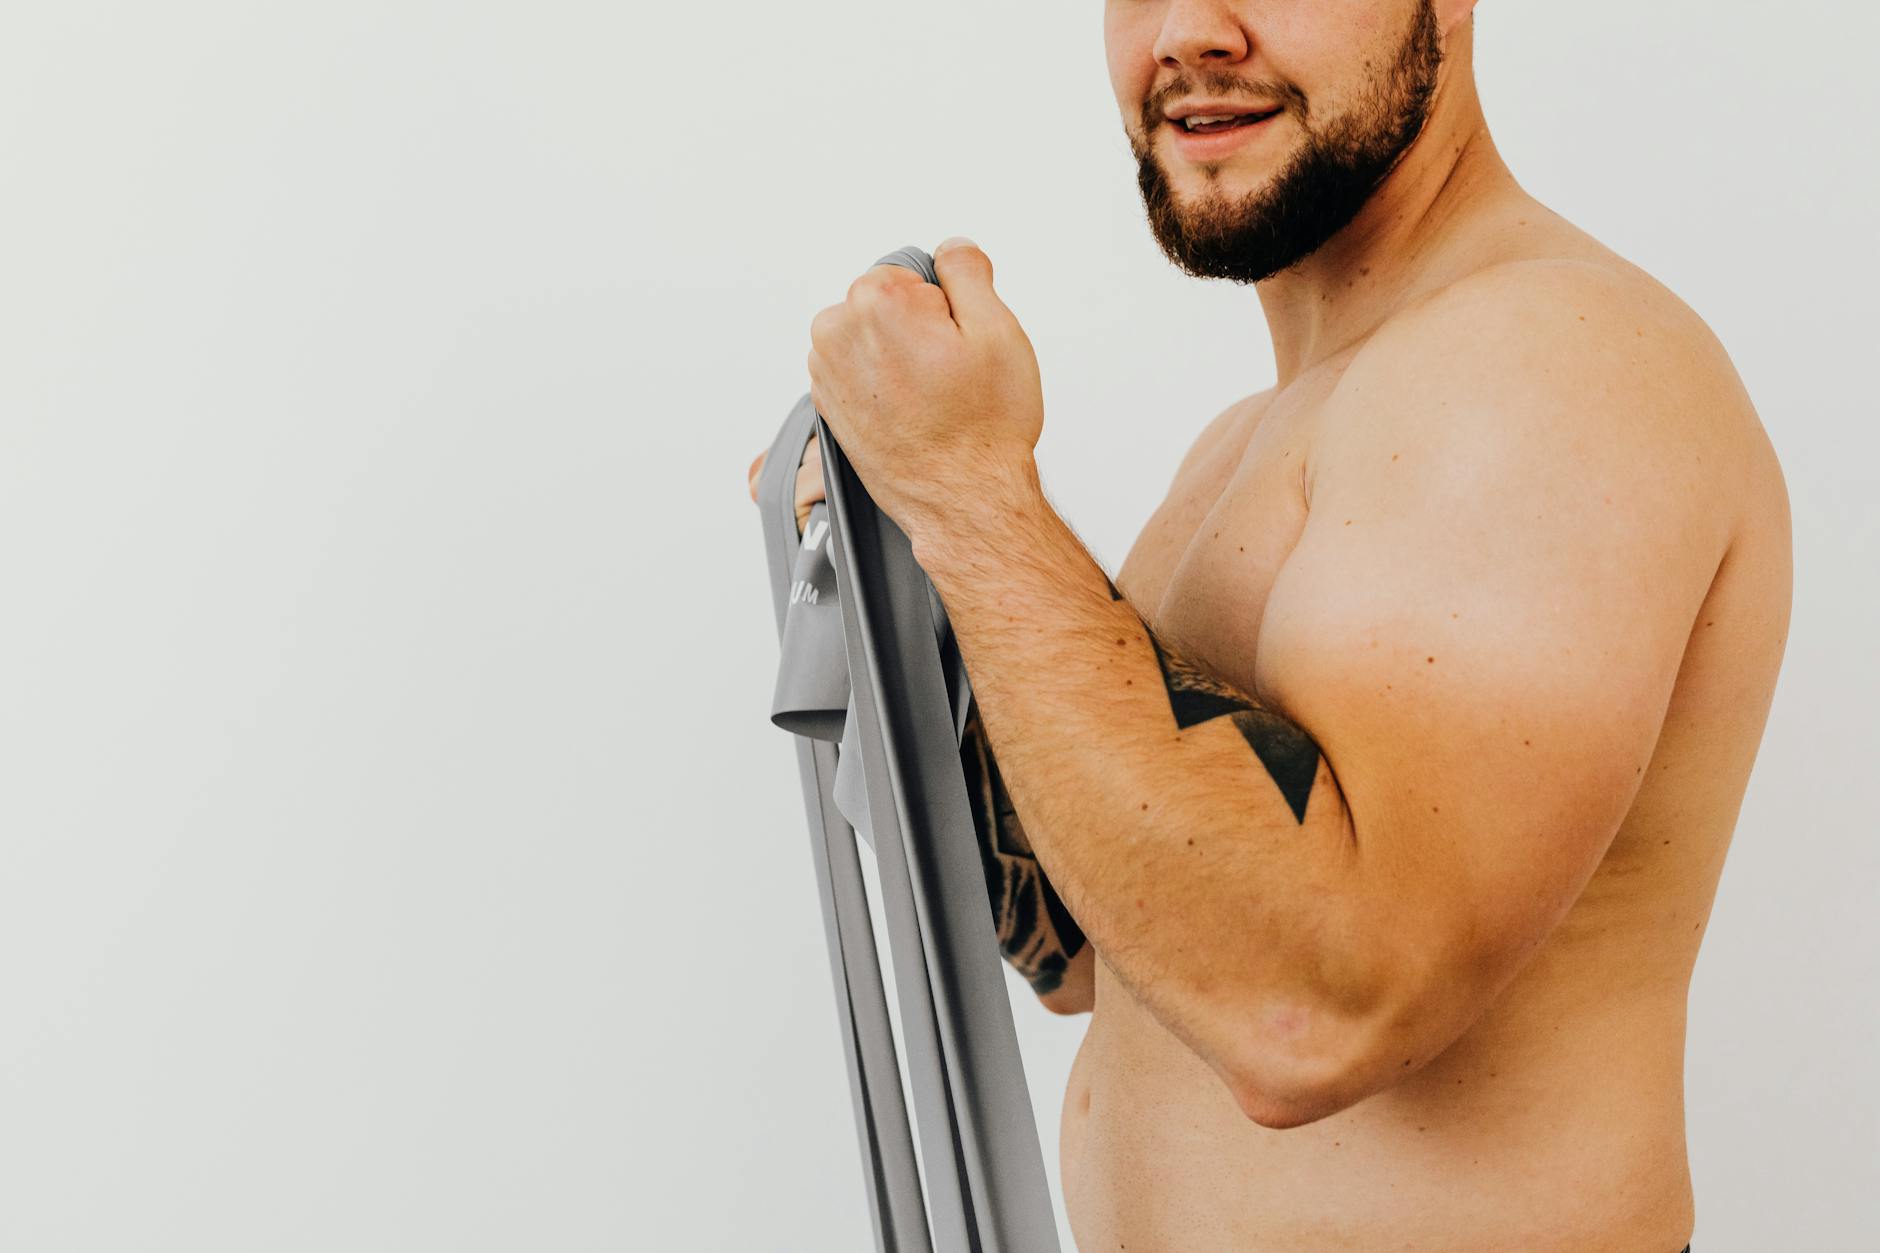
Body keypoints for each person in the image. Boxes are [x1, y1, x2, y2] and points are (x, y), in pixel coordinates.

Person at [748, 1, 1788, 1248]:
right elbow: (1110, 949)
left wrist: (972, 501)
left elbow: (1314, 1009)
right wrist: (918, 573)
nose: (1189, 31)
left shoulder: (1548, 356)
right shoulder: (1249, 442)